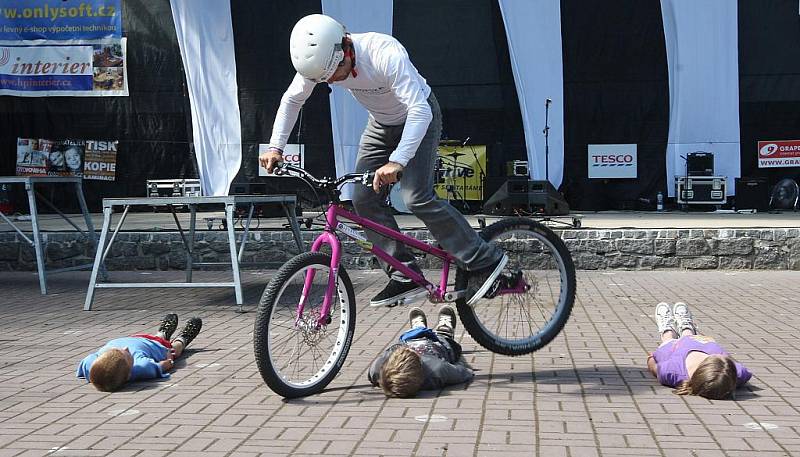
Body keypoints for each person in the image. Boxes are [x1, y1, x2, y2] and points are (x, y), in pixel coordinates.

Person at [259, 14, 515, 307]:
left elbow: (420, 111)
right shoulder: (319, 61)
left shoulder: (384, 53)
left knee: (416, 196)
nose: (334, 81)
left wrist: (398, 161)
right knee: (362, 198)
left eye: (335, 73)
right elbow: (292, 100)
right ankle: (403, 274)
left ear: (345, 48)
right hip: (380, 125)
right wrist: (276, 146)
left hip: (419, 118)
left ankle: (483, 258)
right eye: (326, 79)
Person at [647, 302, 752, 400]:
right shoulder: (737, 373)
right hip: (702, 344)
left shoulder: (672, 371)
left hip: (674, 350)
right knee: (690, 337)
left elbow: (654, 367)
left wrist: (651, 358)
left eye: (720, 356)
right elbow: (744, 373)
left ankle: (667, 329)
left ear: (705, 364)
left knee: (668, 340)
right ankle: (686, 327)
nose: (725, 355)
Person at [77, 314, 202, 392]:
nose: (125, 349)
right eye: (127, 354)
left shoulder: (92, 367)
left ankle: (163, 332)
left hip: (138, 338)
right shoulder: (140, 367)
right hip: (158, 347)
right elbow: (161, 366)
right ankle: (183, 338)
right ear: (129, 370)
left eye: (119, 350)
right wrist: (169, 360)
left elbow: (86, 364)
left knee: (157, 336)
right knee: (175, 349)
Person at [368, 305, 473, 397]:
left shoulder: (377, 370)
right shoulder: (437, 370)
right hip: (438, 345)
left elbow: (374, 373)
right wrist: (461, 366)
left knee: (407, 339)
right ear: (421, 366)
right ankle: (445, 330)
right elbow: (463, 372)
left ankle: (418, 328)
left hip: (409, 340)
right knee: (448, 344)